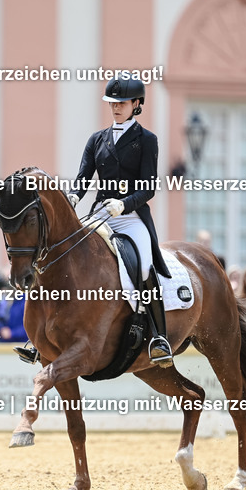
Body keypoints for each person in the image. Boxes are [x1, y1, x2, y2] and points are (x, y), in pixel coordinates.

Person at [67, 75, 173, 365]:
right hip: (101, 213)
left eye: (122, 103)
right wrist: (74, 196)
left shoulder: (147, 140)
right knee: (68, 254)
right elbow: (83, 177)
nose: (116, 107)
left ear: (136, 104)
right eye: (113, 103)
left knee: (144, 264)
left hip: (131, 217)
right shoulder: (97, 139)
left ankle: (159, 336)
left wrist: (124, 204)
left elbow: (148, 188)